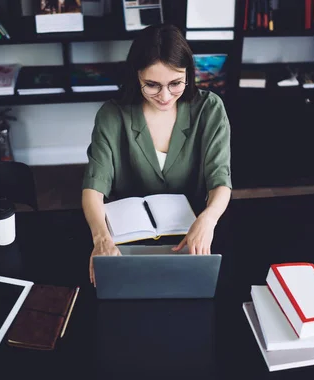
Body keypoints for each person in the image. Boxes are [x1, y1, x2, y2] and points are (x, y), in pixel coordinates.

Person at [82, 23, 232, 285]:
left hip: (193, 231)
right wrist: (101, 238)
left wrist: (208, 220)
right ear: (135, 76)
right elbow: (94, 185)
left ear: (188, 74)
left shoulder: (209, 109)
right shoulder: (111, 114)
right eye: (151, 85)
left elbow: (221, 178)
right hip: (128, 237)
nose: (165, 96)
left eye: (176, 83)